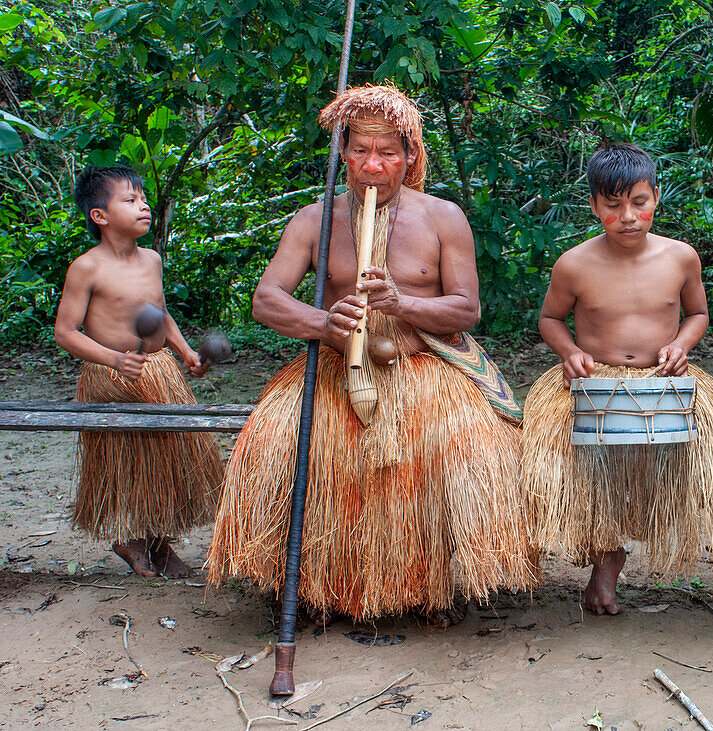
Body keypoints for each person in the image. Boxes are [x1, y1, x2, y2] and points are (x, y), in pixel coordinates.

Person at [206, 84, 536, 627]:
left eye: (387, 153)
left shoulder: (442, 217)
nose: (372, 165)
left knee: (457, 448)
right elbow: (266, 300)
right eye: (360, 151)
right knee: (284, 443)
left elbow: (466, 310)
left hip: (424, 365)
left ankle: (433, 587)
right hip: (339, 366)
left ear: (410, 157)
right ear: (344, 154)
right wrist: (324, 324)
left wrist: (401, 303)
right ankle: (316, 585)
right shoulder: (315, 220)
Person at [521, 143, 713, 615]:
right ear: (594, 206)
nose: (628, 216)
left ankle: (630, 563)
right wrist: (570, 352)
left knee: (654, 475)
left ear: (656, 199)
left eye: (639, 202)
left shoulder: (681, 258)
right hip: (595, 381)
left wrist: (682, 345)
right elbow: (550, 319)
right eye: (612, 205)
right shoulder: (574, 264)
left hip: (663, 379)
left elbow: (698, 313)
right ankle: (603, 570)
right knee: (597, 478)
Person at [54, 166, 223, 578]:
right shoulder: (87, 267)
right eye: (129, 200)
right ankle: (132, 539)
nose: (143, 205)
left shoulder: (152, 260)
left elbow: (161, 314)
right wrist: (113, 360)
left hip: (158, 371)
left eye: (143, 198)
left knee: (167, 456)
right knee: (128, 456)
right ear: (100, 216)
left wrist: (186, 354)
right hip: (113, 377)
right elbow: (64, 332)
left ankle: (159, 543)